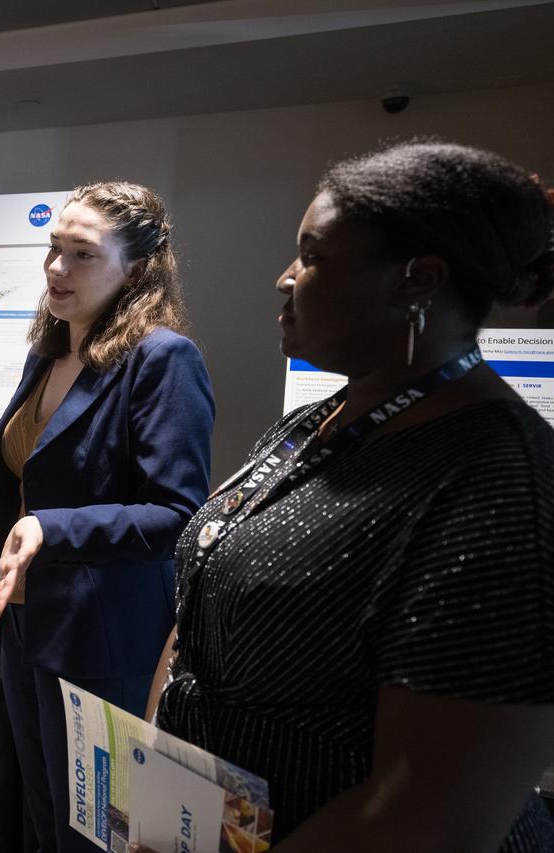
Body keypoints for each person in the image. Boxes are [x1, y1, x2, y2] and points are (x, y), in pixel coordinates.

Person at [147, 142, 554, 852]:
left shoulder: (499, 481)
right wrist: (160, 792)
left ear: (417, 280)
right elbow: (202, 600)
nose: (285, 278)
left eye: (312, 256)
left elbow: (430, 812)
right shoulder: (318, 420)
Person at [0, 182, 215, 852]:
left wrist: (57, 528)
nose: (57, 267)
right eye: (54, 248)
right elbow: (37, 472)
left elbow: (176, 513)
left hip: (105, 637)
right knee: (51, 818)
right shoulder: (49, 351)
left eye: (82, 253)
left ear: (136, 269)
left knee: (102, 832)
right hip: (28, 622)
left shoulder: (164, 359)